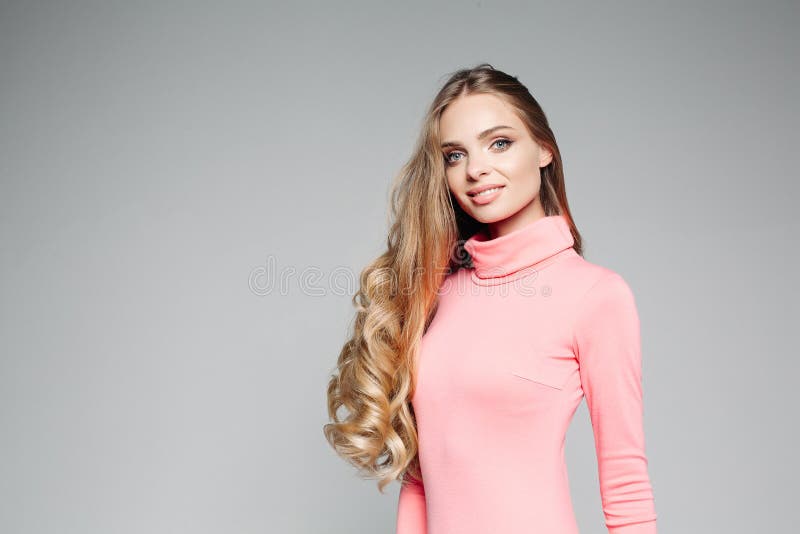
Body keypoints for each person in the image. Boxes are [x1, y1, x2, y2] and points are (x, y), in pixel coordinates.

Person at [323, 63, 658, 533]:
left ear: (544, 149)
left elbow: (626, 486)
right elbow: (422, 477)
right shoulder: (439, 291)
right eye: (455, 155)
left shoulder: (596, 296)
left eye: (499, 143)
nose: (476, 169)